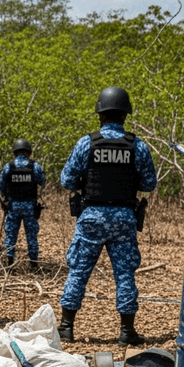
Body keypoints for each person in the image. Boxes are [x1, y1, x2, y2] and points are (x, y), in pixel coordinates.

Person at [58, 86, 157, 345]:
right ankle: (127, 333)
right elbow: (149, 184)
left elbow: (66, 179)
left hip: (91, 215)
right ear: (126, 116)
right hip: (124, 218)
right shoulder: (138, 146)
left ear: (100, 114)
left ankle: (66, 327)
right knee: (125, 274)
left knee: (79, 270)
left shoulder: (86, 142)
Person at [0, 139, 46, 270]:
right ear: (28, 152)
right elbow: (42, 181)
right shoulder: (34, 166)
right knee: (31, 234)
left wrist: (7, 197)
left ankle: (9, 264)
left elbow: (2, 187)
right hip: (30, 207)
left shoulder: (9, 166)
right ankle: (33, 264)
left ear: (15, 152)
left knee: (11, 234)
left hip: (13, 206)